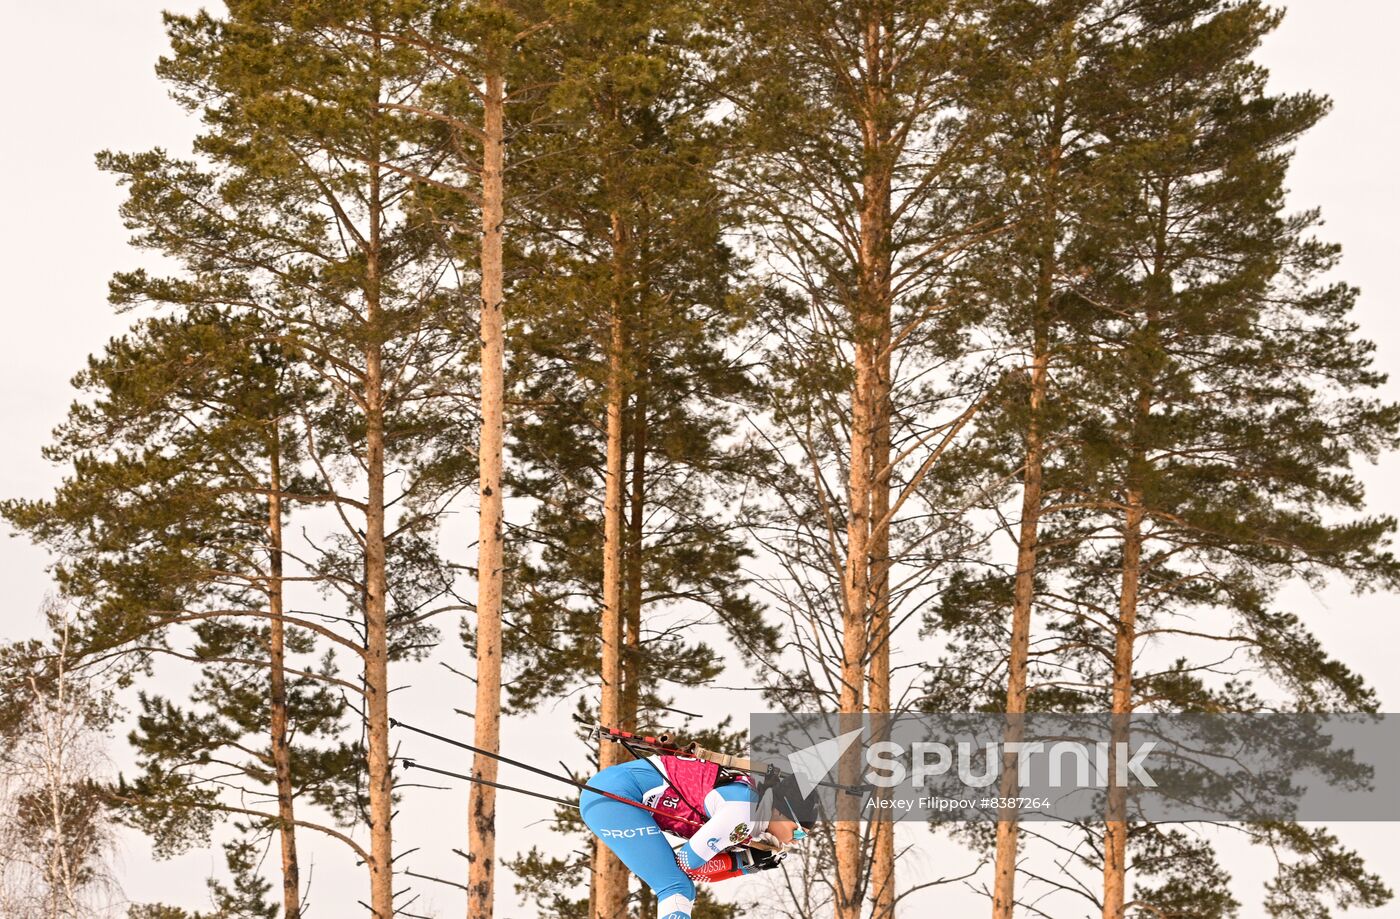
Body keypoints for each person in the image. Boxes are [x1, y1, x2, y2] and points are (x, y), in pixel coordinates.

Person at [580, 753, 812, 919]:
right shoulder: (745, 812)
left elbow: (696, 869)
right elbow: (688, 863)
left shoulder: (749, 807)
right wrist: (741, 862)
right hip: (614, 796)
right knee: (675, 888)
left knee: (681, 888)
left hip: (611, 793)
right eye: (798, 831)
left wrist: (745, 862)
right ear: (781, 809)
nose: (794, 841)